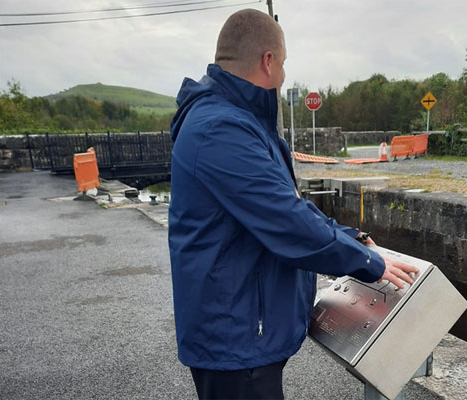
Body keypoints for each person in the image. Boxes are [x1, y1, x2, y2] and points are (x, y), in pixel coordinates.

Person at [168, 8, 418, 399]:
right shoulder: (222, 129)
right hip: (236, 338)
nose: (283, 77)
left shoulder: (235, 123)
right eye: (283, 64)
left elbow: (286, 205)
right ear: (268, 61)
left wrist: (352, 236)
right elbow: (288, 222)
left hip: (238, 329)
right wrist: (372, 264)